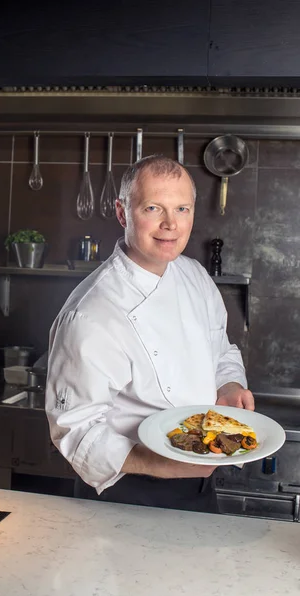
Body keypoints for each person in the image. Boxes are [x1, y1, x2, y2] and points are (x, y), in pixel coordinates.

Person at [45, 155, 254, 513]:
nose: (170, 224)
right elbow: (74, 430)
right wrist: (163, 464)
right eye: (153, 208)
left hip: (201, 484)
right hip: (126, 494)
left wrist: (230, 385)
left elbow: (221, 350)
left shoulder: (195, 277)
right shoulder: (92, 312)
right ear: (123, 213)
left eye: (182, 209)